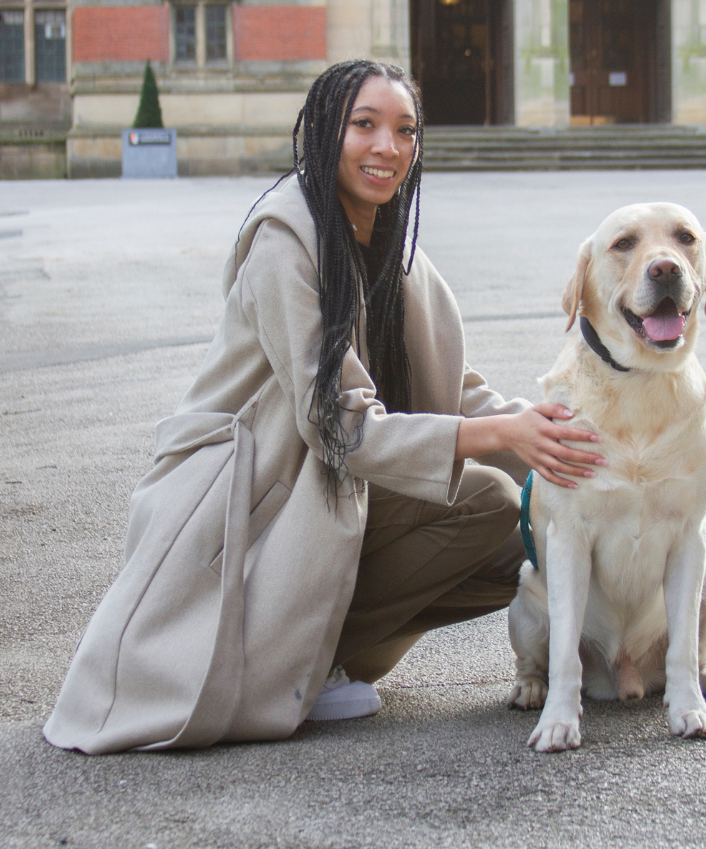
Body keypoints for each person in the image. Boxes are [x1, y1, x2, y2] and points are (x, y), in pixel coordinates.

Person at [43, 59, 604, 754]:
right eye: (363, 125)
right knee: (487, 499)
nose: (386, 147)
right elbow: (336, 424)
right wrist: (494, 436)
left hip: (337, 493)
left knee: (524, 520)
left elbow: (454, 387)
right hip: (258, 504)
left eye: (404, 130)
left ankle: (324, 654)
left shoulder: (395, 254)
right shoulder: (286, 239)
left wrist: (551, 436)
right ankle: (283, 662)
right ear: (324, 132)